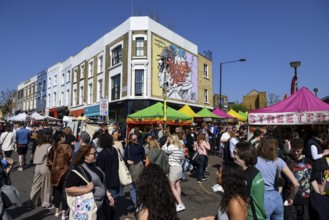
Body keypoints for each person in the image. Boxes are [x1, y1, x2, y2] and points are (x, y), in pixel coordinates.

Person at [65, 145, 114, 220]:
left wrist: (108, 194)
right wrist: (86, 189)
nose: (96, 155)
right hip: (89, 208)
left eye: (96, 153)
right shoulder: (78, 170)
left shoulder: (94, 166)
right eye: (93, 154)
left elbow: (101, 182)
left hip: (101, 205)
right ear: (85, 156)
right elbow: (68, 189)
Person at [255, 136, 299, 220]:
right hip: (277, 198)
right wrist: (291, 197)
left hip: (263, 198)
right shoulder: (279, 161)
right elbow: (296, 184)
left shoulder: (255, 161)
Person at [284, 137, 317, 220]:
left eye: (298, 151)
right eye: (294, 150)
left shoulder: (309, 161)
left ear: (302, 149)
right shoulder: (286, 160)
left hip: (305, 200)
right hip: (289, 198)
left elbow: (313, 180)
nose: (295, 153)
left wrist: (319, 195)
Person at [233, 142, 266, 220]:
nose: (233, 156)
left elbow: (241, 202)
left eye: (235, 154)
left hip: (251, 217)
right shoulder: (255, 172)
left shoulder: (247, 177)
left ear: (244, 156)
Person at [47, 130, 73, 218]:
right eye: (64, 136)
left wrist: (53, 168)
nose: (65, 138)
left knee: (57, 192)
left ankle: (57, 211)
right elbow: (71, 158)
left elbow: (48, 161)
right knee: (65, 193)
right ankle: (63, 213)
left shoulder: (52, 147)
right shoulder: (67, 147)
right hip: (65, 173)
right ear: (61, 137)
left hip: (55, 173)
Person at [27, 130, 53, 210]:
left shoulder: (38, 146)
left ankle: (31, 203)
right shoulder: (50, 146)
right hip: (45, 166)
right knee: (46, 186)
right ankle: (45, 203)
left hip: (37, 166)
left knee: (35, 186)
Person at [96, 132, 120, 219]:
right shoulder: (115, 151)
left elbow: (100, 170)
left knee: (106, 205)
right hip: (115, 179)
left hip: (106, 182)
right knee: (113, 203)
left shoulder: (102, 154)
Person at [162, 134, 185, 212]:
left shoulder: (171, 146)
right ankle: (177, 202)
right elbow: (183, 158)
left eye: (170, 139)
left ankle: (181, 204)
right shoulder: (181, 147)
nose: (169, 140)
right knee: (177, 186)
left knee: (172, 187)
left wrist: (166, 142)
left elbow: (164, 149)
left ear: (172, 139)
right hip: (179, 167)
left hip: (173, 168)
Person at [124, 133, 145, 210]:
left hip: (139, 166)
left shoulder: (140, 146)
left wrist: (136, 161)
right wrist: (127, 160)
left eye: (136, 138)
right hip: (131, 168)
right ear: (130, 139)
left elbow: (143, 155)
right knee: (132, 187)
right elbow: (125, 156)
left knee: (139, 186)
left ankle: (141, 204)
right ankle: (135, 204)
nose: (136, 140)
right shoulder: (128, 147)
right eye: (134, 139)